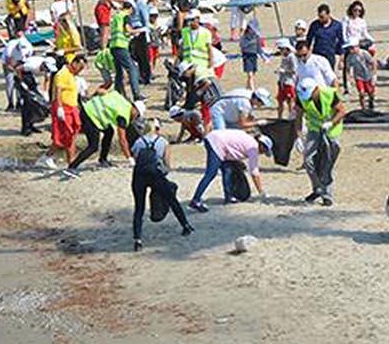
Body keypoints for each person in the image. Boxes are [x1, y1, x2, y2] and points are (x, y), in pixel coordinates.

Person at [130, 118, 192, 250]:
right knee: (172, 200)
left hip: (139, 175)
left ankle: (138, 240)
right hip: (155, 174)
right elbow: (167, 164)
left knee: (139, 208)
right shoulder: (163, 142)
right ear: (157, 129)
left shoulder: (138, 142)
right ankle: (185, 225)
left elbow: (136, 159)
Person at [190, 126, 271, 211]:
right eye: (264, 151)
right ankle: (196, 200)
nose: (262, 153)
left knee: (227, 170)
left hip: (215, 139)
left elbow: (234, 149)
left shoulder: (250, 140)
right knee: (211, 173)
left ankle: (229, 197)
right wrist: (261, 191)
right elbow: (254, 172)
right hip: (216, 142)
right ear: (261, 145)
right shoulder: (254, 147)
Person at [296, 77, 344, 206]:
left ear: (316, 89)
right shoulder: (301, 96)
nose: (308, 98)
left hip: (331, 130)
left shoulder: (329, 94)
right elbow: (298, 116)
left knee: (327, 163)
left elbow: (341, 111)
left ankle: (327, 195)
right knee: (308, 160)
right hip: (314, 129)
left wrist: (330, 123)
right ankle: (317, 188)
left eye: (311, 95)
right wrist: (299, 136)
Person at [71, 85, 138, 175]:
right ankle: (72, 167)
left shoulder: (121, 98)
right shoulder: (124, 115)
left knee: (109, 131)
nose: (134, 118)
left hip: (88, 108)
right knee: (93, 146)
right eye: (137, 116)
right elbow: (122, 139)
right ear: (135, 110)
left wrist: (91, 98)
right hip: (90, 117)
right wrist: (129, 158)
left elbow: (100, 91)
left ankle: (102, 159)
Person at [47, 53, 87, 172]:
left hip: (73, 107)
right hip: (63, 107)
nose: (80, 71)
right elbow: (58, 91)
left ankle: (71, 162)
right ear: (74, 63)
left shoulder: (72, 75)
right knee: (66, 135)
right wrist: (59, 108)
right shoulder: (62, 74)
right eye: (80, 67)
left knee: (73, 134)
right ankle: (63, 160)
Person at [308, 4, 344, 75]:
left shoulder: (337, 25)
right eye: (319, 16)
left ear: (328, 14)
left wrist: (341, 59)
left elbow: (341, 42)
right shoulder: (314, 25)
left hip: (330, 54)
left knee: (329, 75)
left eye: (322, 17)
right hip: (317, 54)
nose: (320, 19)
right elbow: (309, 40)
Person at [347, 38, 378, 111]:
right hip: (358, 76)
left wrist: (374, 75)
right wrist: (349, 80)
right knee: (361, 93)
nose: (351, 50)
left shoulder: (364, 53)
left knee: (370, 92)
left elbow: (373, 63)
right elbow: (348, 68)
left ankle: (371, 102)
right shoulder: (350, 57)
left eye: (352, 48)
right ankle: (363, 108)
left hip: (368, 75)